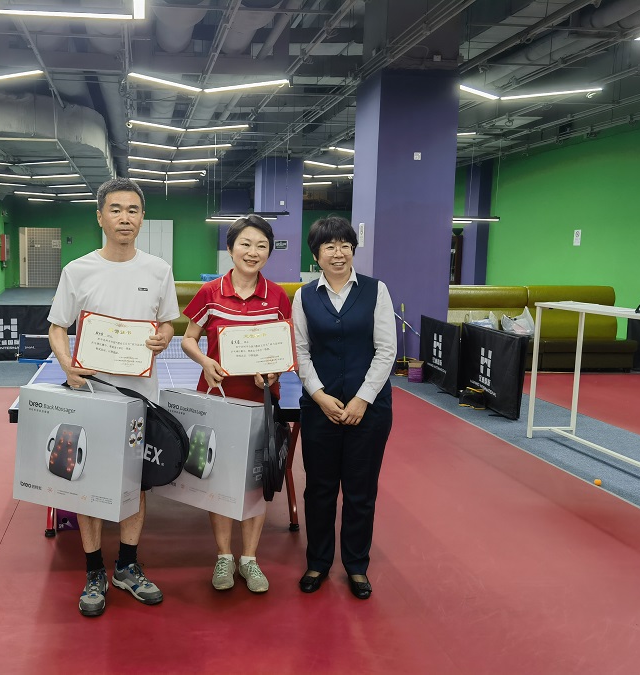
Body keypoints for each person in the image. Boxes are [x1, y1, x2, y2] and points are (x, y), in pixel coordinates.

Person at [47, 177, 180, 617]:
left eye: (133, 210)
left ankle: (126, 566)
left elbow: (167, 323)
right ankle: (93, 571)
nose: (125, 217)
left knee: (134, 484)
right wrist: (67, 365)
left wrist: (164, 337)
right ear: (100, 217)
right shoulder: (77, 270)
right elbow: (57, 328)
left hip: (140, 399)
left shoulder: (158, 270)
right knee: (87, 484)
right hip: (89, 396)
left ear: (142, 218)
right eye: (116, 209)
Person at [181, 214, 292, 594]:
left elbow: (283, 347)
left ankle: (250, 559)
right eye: (245, 244)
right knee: (219, 479)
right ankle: (224, 557)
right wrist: (204, 361)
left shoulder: (278, 296)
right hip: (218, 399)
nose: (253, 251)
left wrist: (274, 372)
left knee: (256, 482)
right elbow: (188, 338)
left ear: (269, 252)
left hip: (261, 402)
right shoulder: (210, 291)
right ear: (230, 248)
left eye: (262, 246)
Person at [292, 215, 397, 599]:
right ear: (316, 254)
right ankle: (318, 562)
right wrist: (319, 395)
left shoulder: (376, 290)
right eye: (329, 246)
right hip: (319, 410)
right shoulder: (304, 296)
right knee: (318, 490)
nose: (338, 253)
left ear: (353, 249)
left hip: (369, 411)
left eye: (345, 245)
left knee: (360, 491)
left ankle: (356, 565)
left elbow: (386, 350)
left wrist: (362, 399)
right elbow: (301, 352)